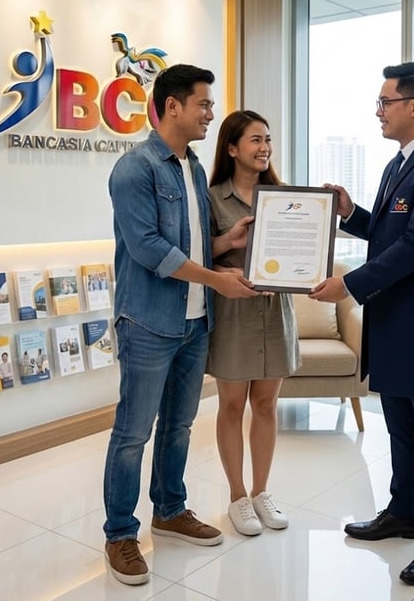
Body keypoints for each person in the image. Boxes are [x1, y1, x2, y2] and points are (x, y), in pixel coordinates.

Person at [310, 62, 414, 586]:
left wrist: (348, 285)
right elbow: (386, 233)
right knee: (400, 426)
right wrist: (350, 212)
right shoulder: (398, 164)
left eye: (386, 102)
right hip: (393, 319)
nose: (378, 111)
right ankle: (404, 512)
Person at [103, 64, 259, 586]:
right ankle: (120, 534)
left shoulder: (191, 167)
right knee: (133, 434)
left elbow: (189, 247)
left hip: (195, 322)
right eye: (204, 104)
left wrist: (226, 243)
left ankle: (169, 509)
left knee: (179, 426)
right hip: (148, 321)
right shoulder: (134, 169)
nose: (211, 113)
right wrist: (216, 279)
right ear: (173, 106)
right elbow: (149, 249)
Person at [207, 110, 300, 537]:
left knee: (265, 405)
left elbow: (301, 250)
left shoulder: (285, 198)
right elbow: (197, 256)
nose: (265, 148)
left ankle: (262, 492)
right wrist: (228, 252)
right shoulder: (211, 198)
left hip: (275, 312)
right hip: (233, 314)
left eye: (268, 140)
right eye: (255, 140)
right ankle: (237, 497)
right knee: (231, 406)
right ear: (231, 148)